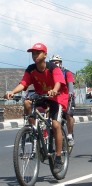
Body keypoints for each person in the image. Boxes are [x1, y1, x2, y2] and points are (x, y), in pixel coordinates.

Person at [4, 43, 68, 174]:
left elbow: (58, 82)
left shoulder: (53, 67)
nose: (34, 56)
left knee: (56, 125)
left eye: (37, 53)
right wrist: (13, 92)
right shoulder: (31, 69)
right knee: (27, 102)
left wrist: (54, 91)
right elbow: (23, 83)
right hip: (41, 96)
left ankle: (58, 157)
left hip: (56, 97)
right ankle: (33, 130)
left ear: (45, 54)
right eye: (33, 53)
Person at [49, 54, 75, 146]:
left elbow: (70, 84)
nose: (55, 65)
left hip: (66, 97)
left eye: (56, 63)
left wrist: (71, 93)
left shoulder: (66, 72)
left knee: (69, 114)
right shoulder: (50, 73)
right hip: (54, 98)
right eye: (52, 63)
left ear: (60, 63)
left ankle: (70, 135)